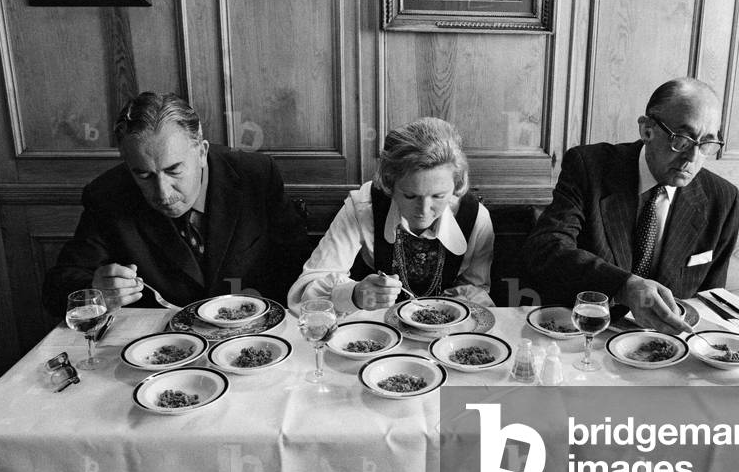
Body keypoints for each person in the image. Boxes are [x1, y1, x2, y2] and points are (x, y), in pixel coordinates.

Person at [42, 92, 309, 315]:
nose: (162, 193)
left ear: (202, 152)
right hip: (159, 347)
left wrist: (265, 295)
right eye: (143, 175)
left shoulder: (256, 176)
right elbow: (56, 290)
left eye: (174, 170)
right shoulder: (107, 196)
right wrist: (95, 291)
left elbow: (298, 264)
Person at [523, 78, 739, 335]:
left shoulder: (723, 199)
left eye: (706, 144)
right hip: (588, 333)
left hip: (669, 343)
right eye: (682, 140)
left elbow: (710, 301)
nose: (692, 158)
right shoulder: (589, 167)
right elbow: (547, 248)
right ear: (647, 129)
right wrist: (624, 285)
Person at [288, 117, 494, 313]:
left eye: (439, 196)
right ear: (389, 184)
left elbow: (476, 289)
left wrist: (462, 303)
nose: (423, 211)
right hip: (376, 331)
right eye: (410, 196)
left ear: (457, 185)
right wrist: (355, 295)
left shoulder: (476, 218)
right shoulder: (363, 206)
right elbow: (304, 296)